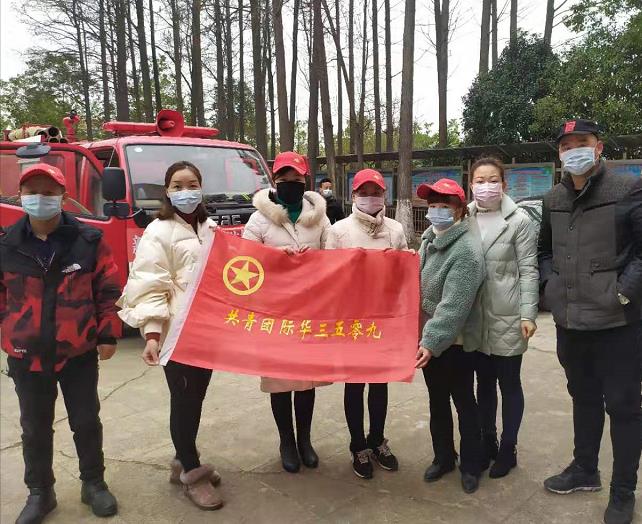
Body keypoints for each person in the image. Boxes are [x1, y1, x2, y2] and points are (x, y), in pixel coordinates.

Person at [0, 164, 120, 523]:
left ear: (63, 197)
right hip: (27, 356)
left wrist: (107, 333)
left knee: (86, 421)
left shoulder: (88, 240)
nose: (40, 198)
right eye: (32, 192)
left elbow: (107, 289)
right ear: (20, 196)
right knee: (34, 427)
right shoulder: (6, 243)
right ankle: (41, 492)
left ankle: (93, 483)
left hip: (77, 352)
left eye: (49, 192)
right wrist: (9, 332)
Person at [539, 119, 641, 524]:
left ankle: (623, 491)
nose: (574, 150)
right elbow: (544, 251)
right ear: (559, 153)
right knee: (582, 398)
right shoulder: (553, 198)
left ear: (598, 147)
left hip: (618, 325)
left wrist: (623, 292)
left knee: (623, 406)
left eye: (582, 142)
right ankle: (584, 469)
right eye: (566, 146)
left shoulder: (627, 189)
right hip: (570, 322)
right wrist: (549, 287)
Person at [117, 161, 223, 511]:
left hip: (206, 329)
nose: (185, 191)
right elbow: (150, 285)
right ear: (167, 191)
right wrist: (152, 334)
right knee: (184, 400)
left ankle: (183, 459)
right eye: (178, 186)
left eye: (192, 184)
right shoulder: (157, 231)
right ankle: (192, 471)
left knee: (196, 397)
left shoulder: (210, 228)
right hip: (177, 332)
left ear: (201, 188)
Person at [243, 151, 331, 474]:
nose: (290, 183)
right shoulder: (258, 219)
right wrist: (278, 255)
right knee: (280, 381)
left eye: (296, 179)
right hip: (274, 312)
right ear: (274, 180)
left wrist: (315, 258)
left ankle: (305, 440)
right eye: (284, 178)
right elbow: (245, 260)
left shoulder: (319, 216)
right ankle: (287, 441)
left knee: (306, 381)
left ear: (305, 181)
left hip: (309, 309)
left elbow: (334, 253)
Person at [325, 168, 408, 479]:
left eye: (376, 192)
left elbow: (403, 275)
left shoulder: (396, 229)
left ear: (384, 195)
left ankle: (377, 440)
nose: (370, 198)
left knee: (380, 382)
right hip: (352, 320)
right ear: (353, 195)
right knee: (355, 382)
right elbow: (328, 276)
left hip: (383, 319)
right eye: (364, 192)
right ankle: (357, 445)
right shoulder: (339, 231)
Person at [468, 157, 539, 478]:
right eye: (480, 181)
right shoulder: (464, 217)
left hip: (508, 316)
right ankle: (488, 441)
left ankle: (508, 449)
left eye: (493, 180)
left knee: (509, 384)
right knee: (483, 384)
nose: (487, 186)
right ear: (471, 184)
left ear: (504, 184)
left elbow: (529, 270)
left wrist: (528, 314)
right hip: (475, 317)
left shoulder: (519, 221)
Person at [415, 178, 486, 494]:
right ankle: (443, 457)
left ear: (459, 210)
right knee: (437, 401)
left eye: (444, 205)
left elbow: (454, 306)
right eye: (432, 205)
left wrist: (430, 342)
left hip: (454, 343)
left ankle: (471, 464)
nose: (436, 211)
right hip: (429, 340)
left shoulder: (466, 250)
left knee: (464, 403)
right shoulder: (429, 239)